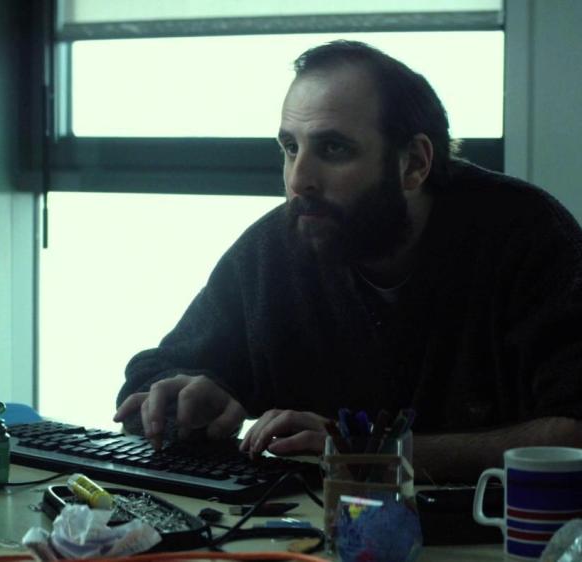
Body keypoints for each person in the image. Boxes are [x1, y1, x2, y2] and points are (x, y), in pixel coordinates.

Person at [113, 40, 582, 483]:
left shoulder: (529, 237)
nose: (299, 180)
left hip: (495, 528)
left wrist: (371, 452)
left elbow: (574, 430)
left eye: (333, 149)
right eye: (291, 148)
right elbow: (151, 378)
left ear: (414, 164)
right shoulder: (275, 249)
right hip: (313, 528)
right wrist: (187, 398)